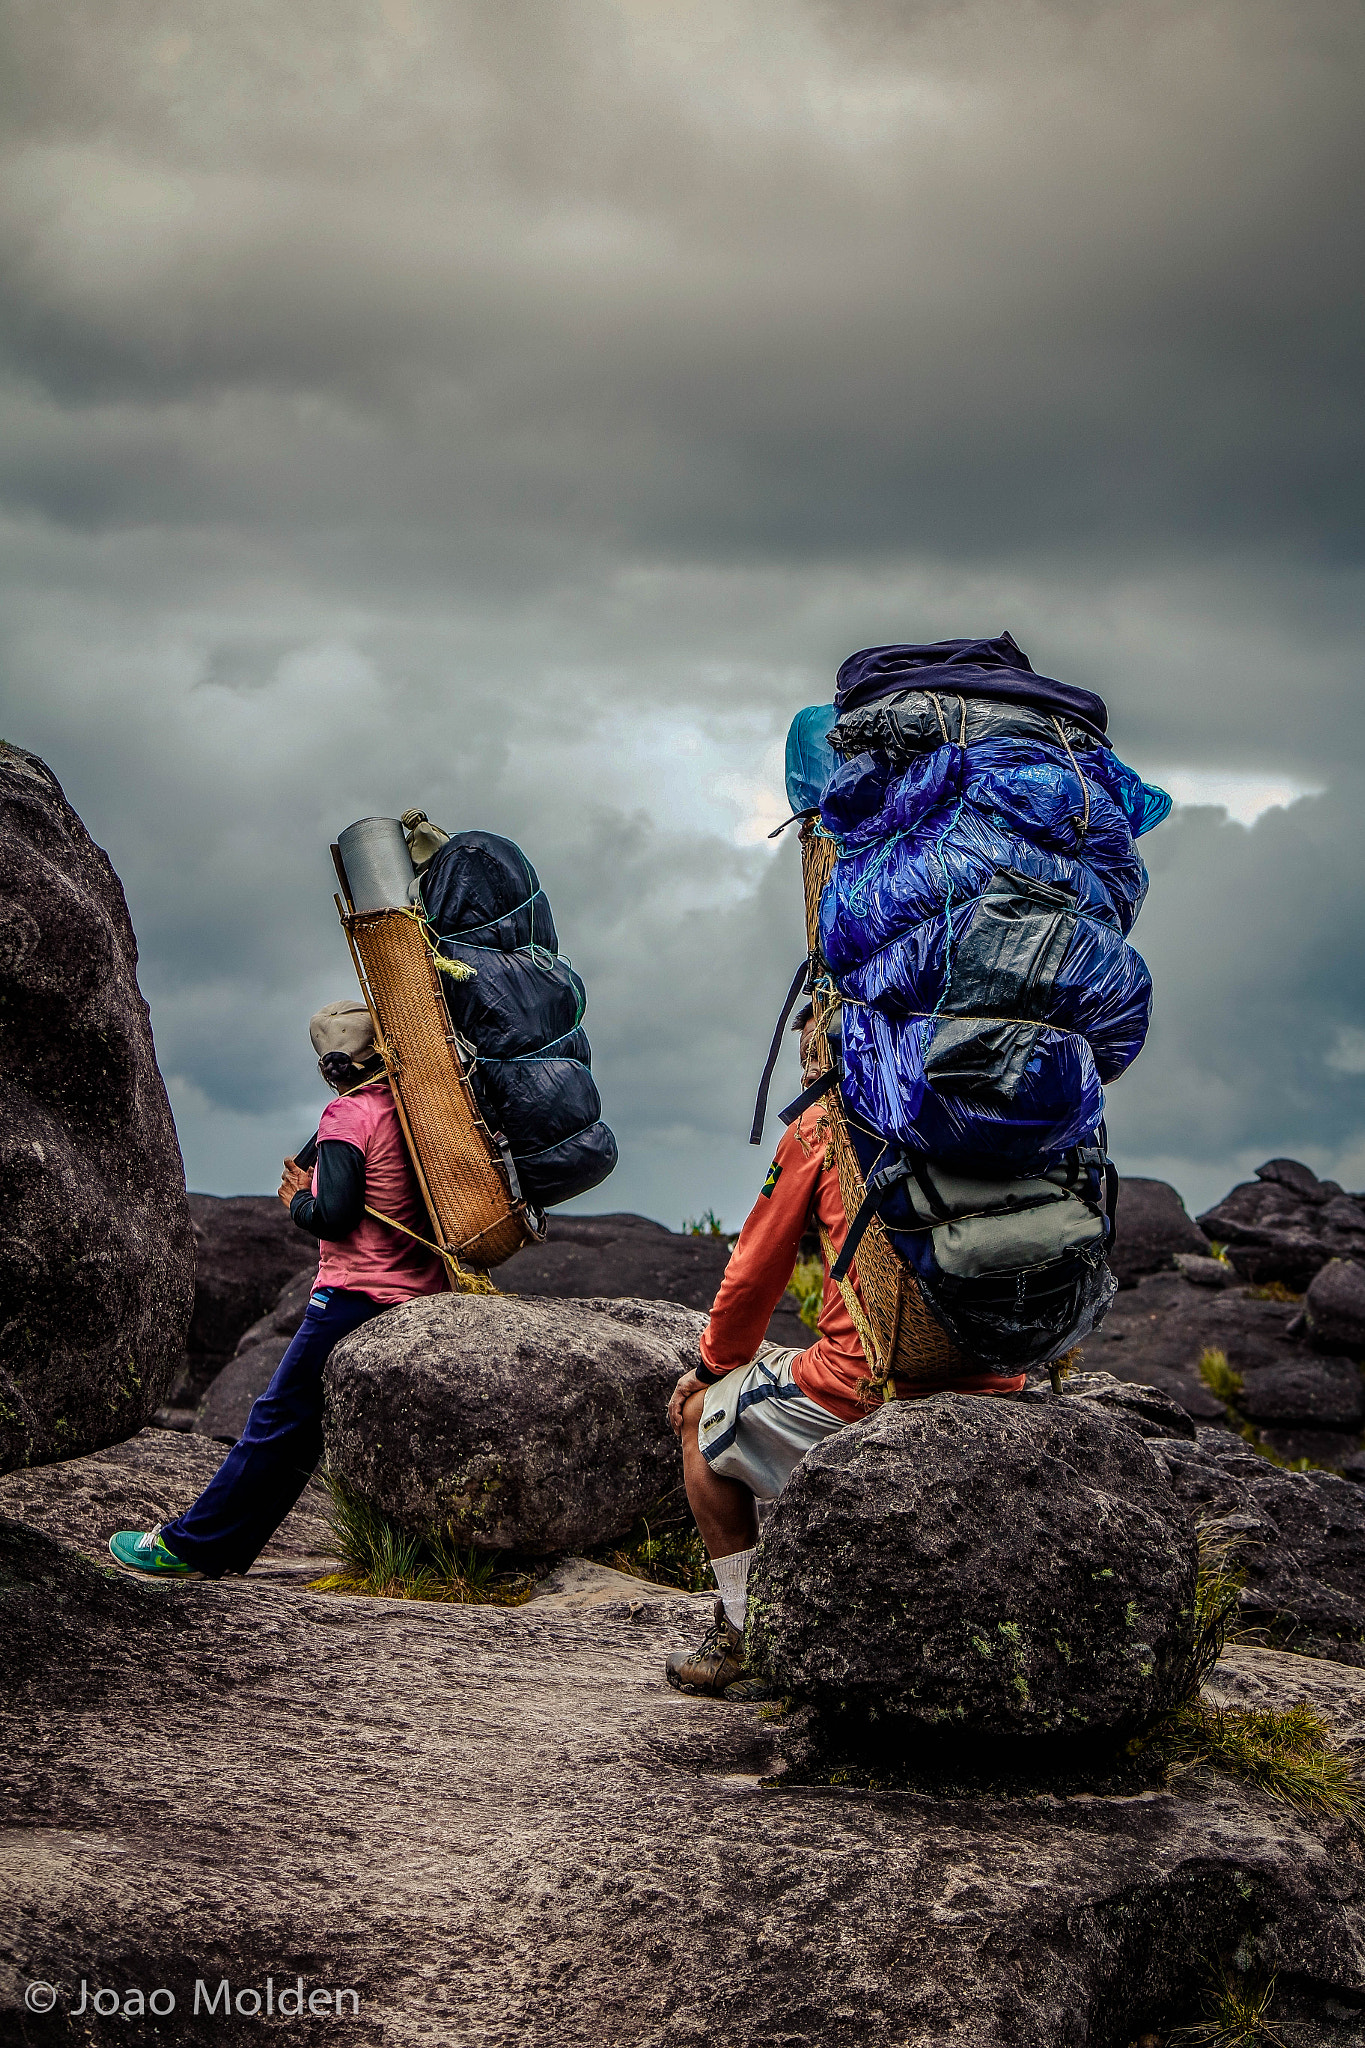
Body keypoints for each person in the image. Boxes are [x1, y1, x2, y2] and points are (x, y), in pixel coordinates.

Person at [664, 1006, 1028, 1698]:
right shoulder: (977, 1108)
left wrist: (710, 1369)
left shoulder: (824, 1126)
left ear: (819, 1059)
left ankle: (744, 1635)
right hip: (996, 1384)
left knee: (700, 1420)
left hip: (870, 1388)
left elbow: (752, 1275)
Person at [108, 999, 445, 1579]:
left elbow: (335, 1216)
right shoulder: (414, 1109)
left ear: (333, 1065)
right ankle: (229, 1545)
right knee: (302, 1432)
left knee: (275, 1420)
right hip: (423, 1297)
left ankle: (194, 1546)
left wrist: (297, 1203)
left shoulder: (348, 1117)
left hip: (355, 1295)